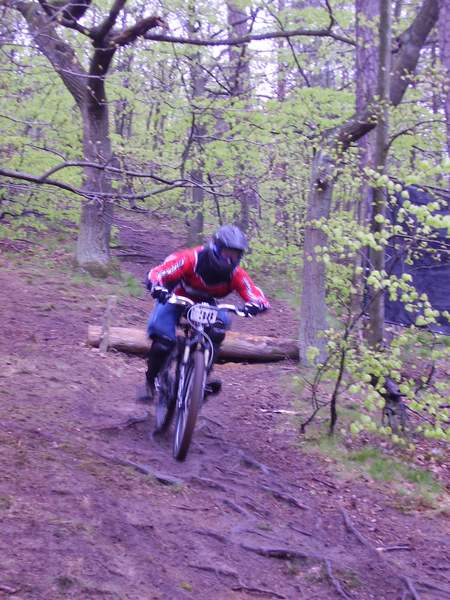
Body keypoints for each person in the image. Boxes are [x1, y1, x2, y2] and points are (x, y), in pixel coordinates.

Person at [138, 224, 270, 403]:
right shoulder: (191, 259)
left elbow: (253, 293)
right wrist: (157, 286)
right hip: (175, 296)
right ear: (215, 248)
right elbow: (159, 272)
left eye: (234, 255)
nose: (229, 260)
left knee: (218, 329)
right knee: (163, 340)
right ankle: (151, 381)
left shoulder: (235, 274)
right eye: (226, 253)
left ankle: (201, 378)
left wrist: (256, 304)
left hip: (205, 303)